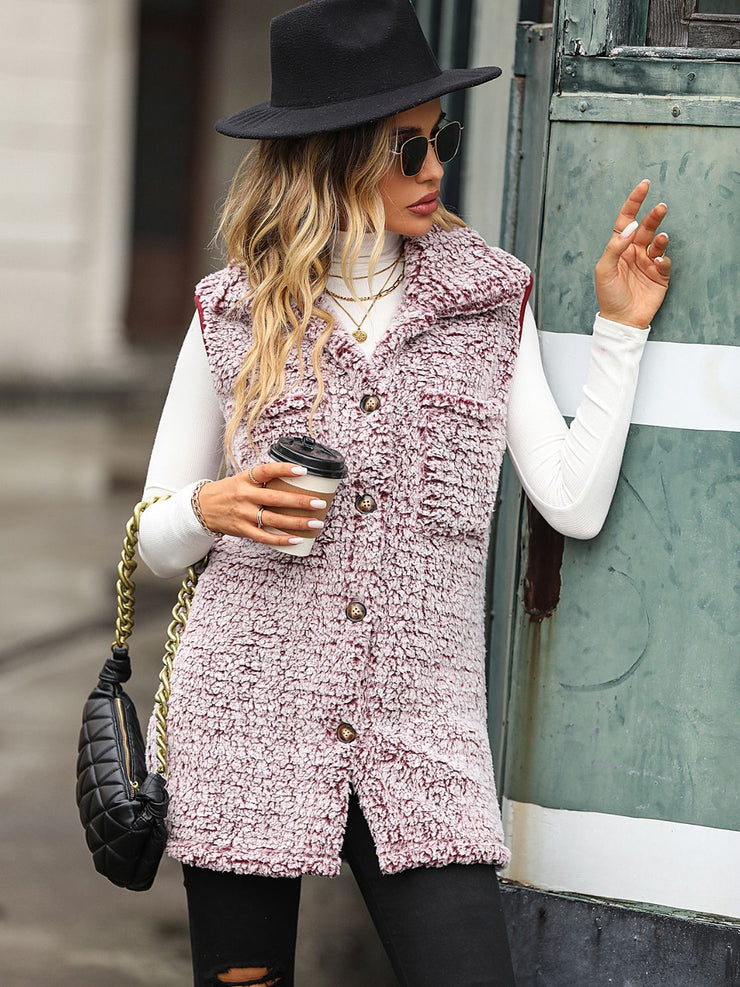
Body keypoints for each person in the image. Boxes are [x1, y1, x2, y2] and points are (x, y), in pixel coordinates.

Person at [137, 2, 671, 985]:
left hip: (423, 737)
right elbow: (150, 537)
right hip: (245, 723)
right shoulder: (232, 311)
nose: (434, 169)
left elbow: (571, 501)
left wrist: (620, 330)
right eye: (408, 147)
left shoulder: (486, 301)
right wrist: (209, 509)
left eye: (441, 139)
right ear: (332, 155)